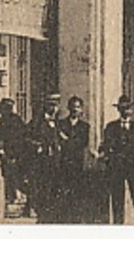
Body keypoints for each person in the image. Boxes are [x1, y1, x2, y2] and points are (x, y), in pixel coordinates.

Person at [102, 95, 134, 225]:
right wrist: (109, 159)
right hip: (117, 169)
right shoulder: (111, 127)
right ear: (119, 110)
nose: (126, 111)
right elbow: (106, 146)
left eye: (128, 108)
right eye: (123, 108)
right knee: (117, 199)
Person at [25, 94, 62, 222]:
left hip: (54, 160)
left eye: (56, 105)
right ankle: (36, 208)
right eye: (51, 105)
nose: (54, 108)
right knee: (40, 185)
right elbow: (26, 138)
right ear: (46, 106)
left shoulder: (58, 123)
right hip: (41, 160)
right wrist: (38, 146)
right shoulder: (36, 122)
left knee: (53, 185)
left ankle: (50, 211)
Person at [57, 95, 94, 223]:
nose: (75, 110)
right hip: (63, 163)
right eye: (73, 107)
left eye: (77, 107)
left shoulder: (85, 126)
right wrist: (67, 141)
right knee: (63, 191)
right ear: (68, 108)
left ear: (81, 109)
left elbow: (82, 143)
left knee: (78, 192)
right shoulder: (61, 124)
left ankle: (77, 218)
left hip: (78, 164)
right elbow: (59, 142)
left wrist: (66, 140)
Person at [0, 99, 28, 214]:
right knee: (14, 178)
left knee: (12, 179)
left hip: (13, 154)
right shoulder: (14, 119)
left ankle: (14, 203)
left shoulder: (9, 120)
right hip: (15, 153)